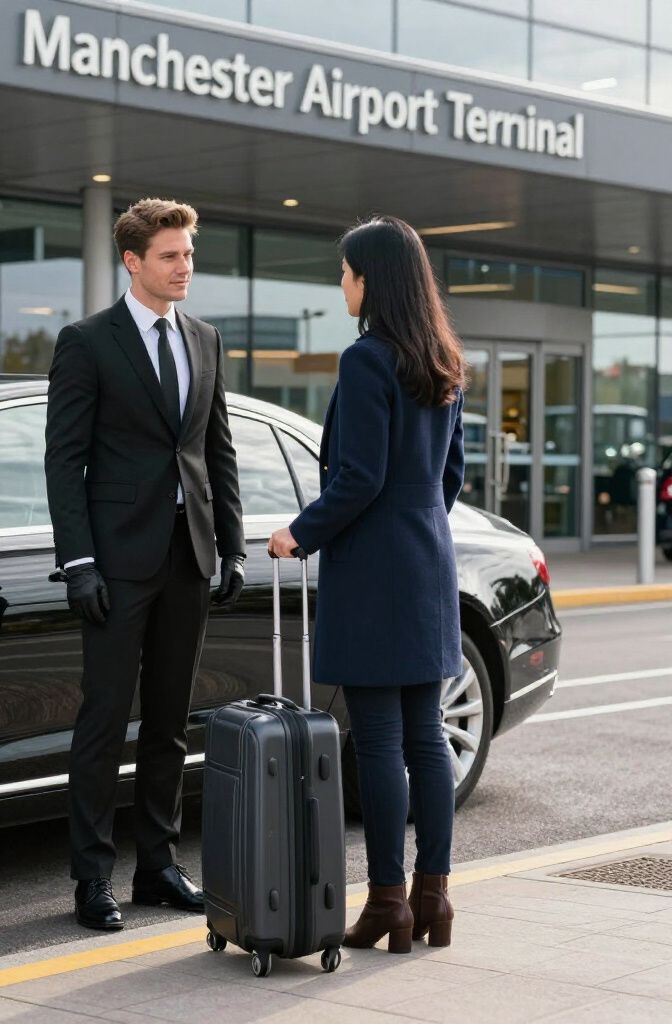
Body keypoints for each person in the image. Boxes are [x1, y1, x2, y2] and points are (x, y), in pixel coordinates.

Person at [46, 197, 246, 931]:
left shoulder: (205, 338)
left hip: (188, 557)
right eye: (170, 255)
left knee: (168, 723)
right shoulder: (87, 342)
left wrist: (231, 545)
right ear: (134, 262)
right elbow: (64, 460)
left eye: (188, 253)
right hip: (117, 564)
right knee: (104, 721)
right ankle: (91, 878)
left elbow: (214, 448)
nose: (184, 266)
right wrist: (78, 562)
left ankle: (157, 866)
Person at [268, 215, 465, 954]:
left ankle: (388, 904)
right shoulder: (443, 358)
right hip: (427, 564)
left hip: (374, 572)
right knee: (427, 737)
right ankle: (433, 899)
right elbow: (450, 477)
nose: (340, 284)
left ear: (370, 280)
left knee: (380, 741)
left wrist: (300, 532)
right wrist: (413, 530)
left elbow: (358, 477)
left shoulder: (366, 361)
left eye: (345, 272)